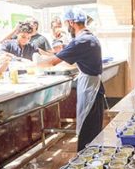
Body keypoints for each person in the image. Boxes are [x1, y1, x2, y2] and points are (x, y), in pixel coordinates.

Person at [39, 8, 105, 151]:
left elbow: (53, 62)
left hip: (90, 90)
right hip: (94, 87)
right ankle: (92, 160)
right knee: (92, 130)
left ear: (71, 23)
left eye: (66, 23)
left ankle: (86, 162)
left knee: (88, 133)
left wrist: (31, 65)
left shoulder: (81, 41)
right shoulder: (90, 38)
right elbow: (67, 58)